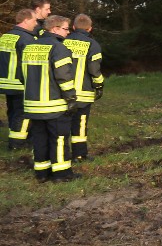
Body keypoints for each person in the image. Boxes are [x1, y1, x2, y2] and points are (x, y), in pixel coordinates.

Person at [22, 15, 78, 181]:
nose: (68, 32)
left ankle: (41, 172)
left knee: (39, 138)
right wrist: (71, 98)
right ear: (55, 29)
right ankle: (62, 174)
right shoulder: (58, 48)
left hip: (33, 104)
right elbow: (64, 77)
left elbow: (21, 74)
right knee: (59, 138)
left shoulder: (29, 47)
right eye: (66, 29)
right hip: (54, 104)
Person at [63, 14, 105, 161]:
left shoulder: (62, 41)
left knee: (62, 123)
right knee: (80, 123)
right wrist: (99, 85)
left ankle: (62, 154)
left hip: (62, 92)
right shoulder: (93, 45)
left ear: (73, 27)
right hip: (83, 93)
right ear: (90, 28)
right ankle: (79, 154)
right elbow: (94, 69)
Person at [0, 9, 38, 149]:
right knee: (22, 113)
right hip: (20, 83)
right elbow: (29, 64)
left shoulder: (5, 36)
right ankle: (17, 143)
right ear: (26, 20)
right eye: (34, 20)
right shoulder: (27, 39)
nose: (36, 24)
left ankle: (13, 136)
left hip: (5, 82)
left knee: (12, 111)